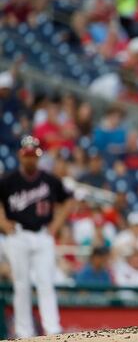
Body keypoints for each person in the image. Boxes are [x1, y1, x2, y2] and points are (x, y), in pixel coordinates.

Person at [0, 136, 75, 338]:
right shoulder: (8, 179)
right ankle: (24, 333)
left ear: (39, 156)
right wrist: (3, 222)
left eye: (34, 155)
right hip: (18, 235)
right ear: (20, 155)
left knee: (45, 283)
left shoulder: (49, 180)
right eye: (27, 155)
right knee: (21, 285)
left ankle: (52, 330)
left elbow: (68, 200)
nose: (30, 159)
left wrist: (56, 225)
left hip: (43, 235)